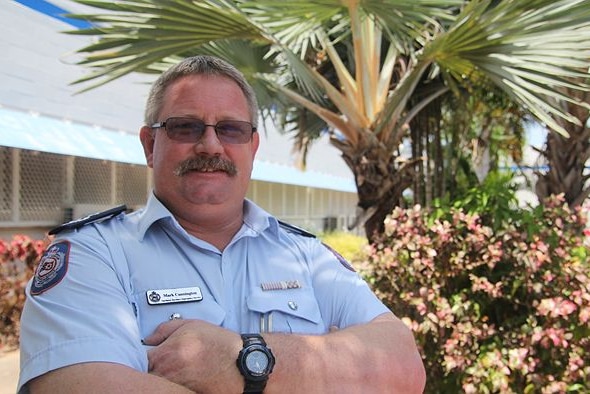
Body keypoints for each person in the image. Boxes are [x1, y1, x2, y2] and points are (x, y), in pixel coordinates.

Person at [18, 55, 425, 393]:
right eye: (185, 127)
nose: (210, 144)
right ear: (149, 144)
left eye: (230, 129)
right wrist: (313, 372)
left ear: (252, 147)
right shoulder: (94, 254)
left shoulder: (305, 255)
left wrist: (236, 357)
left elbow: (403, 367)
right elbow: (77, 384)